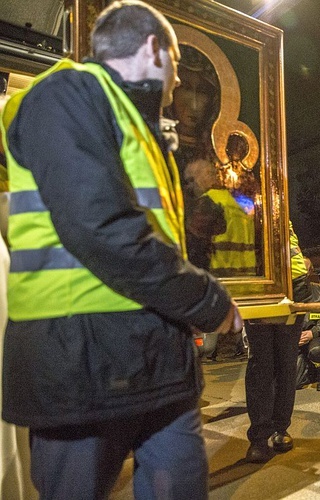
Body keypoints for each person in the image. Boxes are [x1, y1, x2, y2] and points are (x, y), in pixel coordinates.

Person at [0, 2, 242, 497]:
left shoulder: (139, 127)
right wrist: (208, 301)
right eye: (177, 66)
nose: (176, 86)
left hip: (155, 359)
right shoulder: (66, 95)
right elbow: (100, 225)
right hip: (81, 361)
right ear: (154, 50)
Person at [244, 221, 311, 463]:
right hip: (255, 284)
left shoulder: (273, 201)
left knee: (285, 362)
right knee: (261, 363)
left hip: (293, 284)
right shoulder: (245, 204)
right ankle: (259, 436)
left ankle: (281, 428)